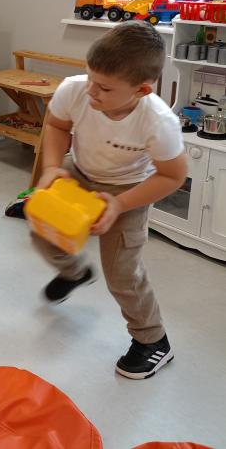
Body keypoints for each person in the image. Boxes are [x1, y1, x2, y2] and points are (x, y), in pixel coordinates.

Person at [33, 22, 186, 379]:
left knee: (121, 272)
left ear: (142, 90)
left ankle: (153, 339)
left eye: (103, 87)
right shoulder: (75, 90)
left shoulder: (158, 122)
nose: (91, 91)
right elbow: (56, 125)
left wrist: (120, 204)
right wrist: (52, 167)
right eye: (90, 78)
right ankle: (74, 272)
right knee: (43, 229)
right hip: (79, 172)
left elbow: (172, 175)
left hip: (128, 189)